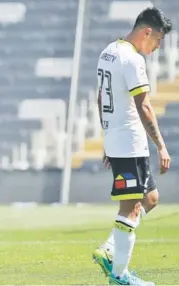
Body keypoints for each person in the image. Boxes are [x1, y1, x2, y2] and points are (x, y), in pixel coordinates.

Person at [92, 7, 172, 285]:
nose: (157, 47)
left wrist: (107, 135)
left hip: (119, 139)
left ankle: (109, 249)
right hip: (129, 144)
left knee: (150, 199)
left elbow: (101, 97)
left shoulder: (109, 51)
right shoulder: (132, 59)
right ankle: (120, 276)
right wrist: (161, 146)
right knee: (131, 209)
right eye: (158, 41)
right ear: (147, 32)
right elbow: (144, 106)